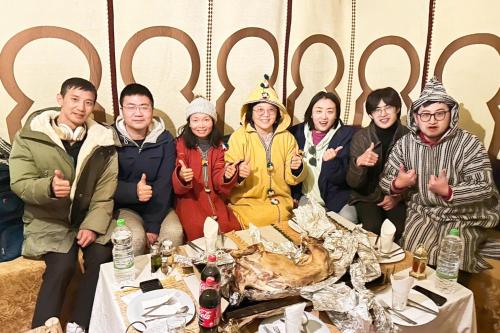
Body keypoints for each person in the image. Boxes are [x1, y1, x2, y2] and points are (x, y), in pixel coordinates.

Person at [9, 78, 118, 332]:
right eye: (75, 99)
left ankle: (80, 325)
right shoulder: (29, 137)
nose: (81, 108)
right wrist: (48, 187)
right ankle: (43, 329)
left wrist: (92, 226)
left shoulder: (104, 142)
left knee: (102, 257)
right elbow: (20, 182)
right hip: (49, 221)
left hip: (87, 216)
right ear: (60, 100)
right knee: (62, 265)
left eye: (88, 102)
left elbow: (105, 194)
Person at [379, 77, 499, 273]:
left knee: (453, 259)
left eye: (439, 114)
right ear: (416, 118)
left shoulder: (469, 143)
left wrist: (449, 191)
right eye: (425, 114)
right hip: (423, 211)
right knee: (412, 256)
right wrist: (398, 184)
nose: (432, 120)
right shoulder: (405, 144)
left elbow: (484, 187)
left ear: (450, 115)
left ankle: (450, 300)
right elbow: (385, 180)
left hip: (464, 215)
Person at [225, 75, 307, 228]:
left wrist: (296, 168)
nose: (265, 114)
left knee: (282, 218)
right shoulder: (239, 137)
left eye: (271, 110)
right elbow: (227, 173)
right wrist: (237, 172)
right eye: (259, 110)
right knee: (255, 222)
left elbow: (292, 179)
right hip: (247, 203)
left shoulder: (287, 138)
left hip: (280, 202)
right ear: (251, 112)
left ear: (277, 114)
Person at [114, 83, 182, 254]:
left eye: (144, 107)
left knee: (174, 233)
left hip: (159, 206)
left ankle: (168, 280)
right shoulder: (109, 138)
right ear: (122, 110)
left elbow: (164, 183)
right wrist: (133, 191)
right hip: (124, 207)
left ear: (152, 110)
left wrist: (153, 224)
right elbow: (103, 183)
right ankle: (133, 281)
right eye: (131, 107)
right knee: (134, 238)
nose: (138, 113)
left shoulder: (165, 139)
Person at [172, 97, 241, 240]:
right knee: (198, 229)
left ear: (213, 122)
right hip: (189, 200)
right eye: (195, 120)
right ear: (189, 123)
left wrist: (226, 175)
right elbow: (178, 172)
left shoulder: (218, 147)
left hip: (214, 198)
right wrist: (182, 176)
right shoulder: (180, 144)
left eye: (206, 120)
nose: (201, 125)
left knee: (230, 227)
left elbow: (218, 178)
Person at [347, 87, 408, 239]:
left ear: (398, 109)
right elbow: (353, 183)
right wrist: (359, 163)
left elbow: (415, 176)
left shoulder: (408, 137)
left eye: (388, 108)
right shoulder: (361, 137)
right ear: (370, 114)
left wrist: (397, 197)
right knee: (372, 228)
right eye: (377, 110)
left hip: (396, 196)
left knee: (396, 229)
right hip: (365, 196)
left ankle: (391, 263)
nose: (383, 114)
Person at [289, 91, 358, 221]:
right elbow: (288, 170)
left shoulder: (347, 136)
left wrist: (332, 163)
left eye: (330, 111)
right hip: (307, 196)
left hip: (337, 196)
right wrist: (294, 193)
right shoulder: (296, 133)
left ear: (336, 114)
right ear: (311, 113)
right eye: (319, 111)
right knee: (308, 227)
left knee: (349, 220)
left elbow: (346, 179)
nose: (324, 117)